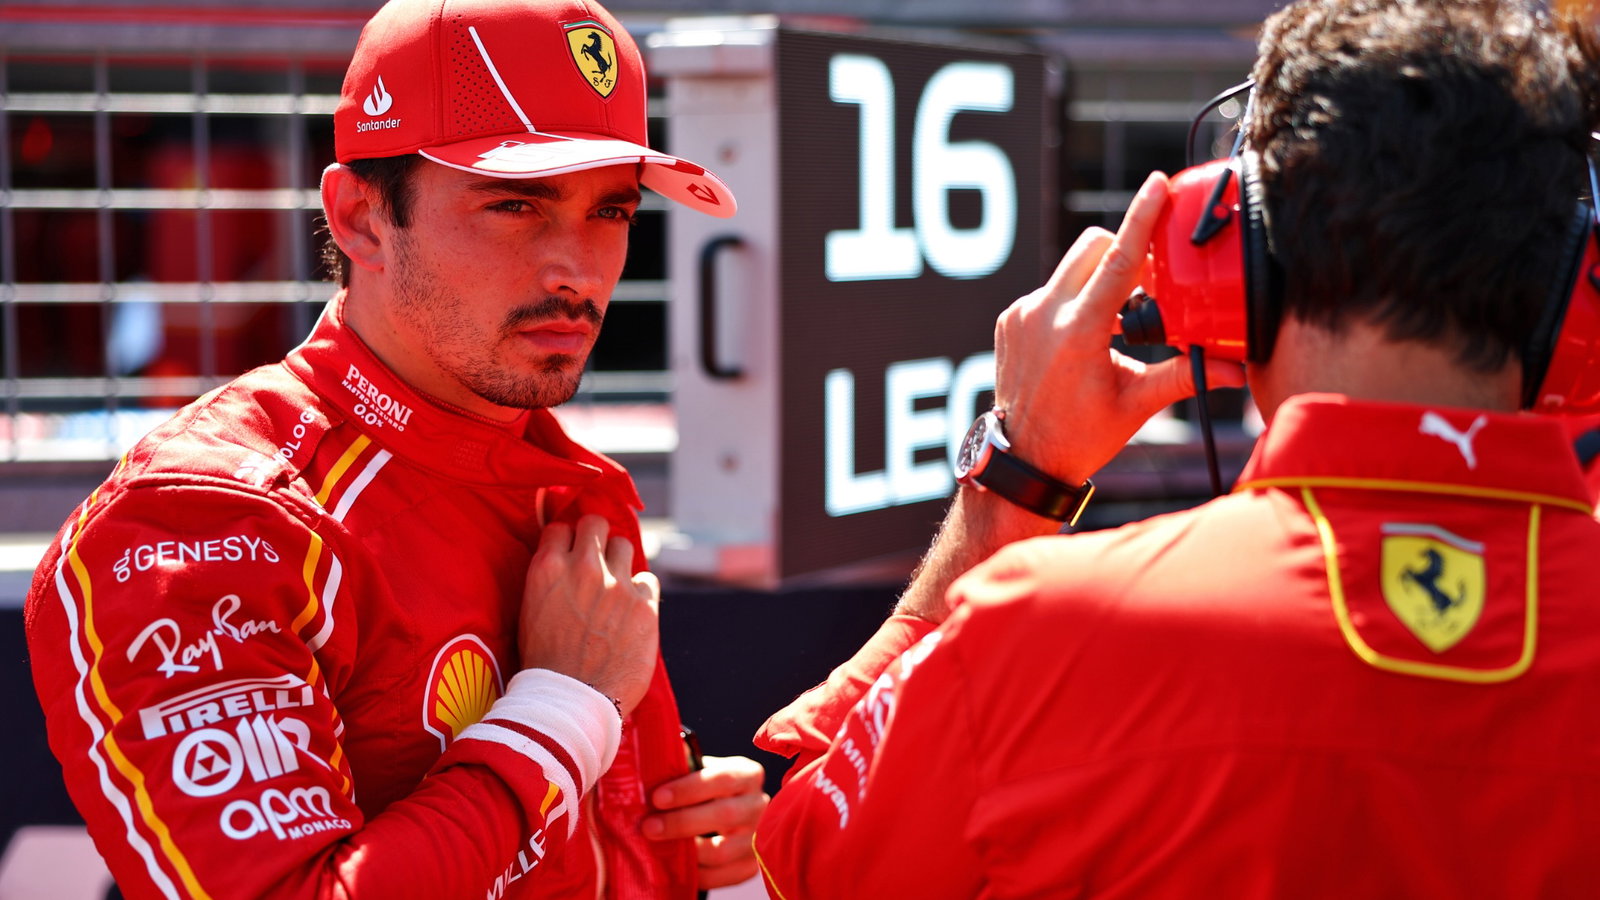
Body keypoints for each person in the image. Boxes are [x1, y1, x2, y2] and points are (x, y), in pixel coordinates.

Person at [751, 0, 1600, 896]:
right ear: (1579, 289)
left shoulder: (1039, 631)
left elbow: (800, 860)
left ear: (1231, 251)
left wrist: (1017, 481)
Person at [25, 0, 767, 897]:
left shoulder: (556, 478)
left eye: (612, 211)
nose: (579, 267)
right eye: (516, 203)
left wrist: (682, 851)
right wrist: (561, 712)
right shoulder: (198, 527)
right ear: (361, 218)